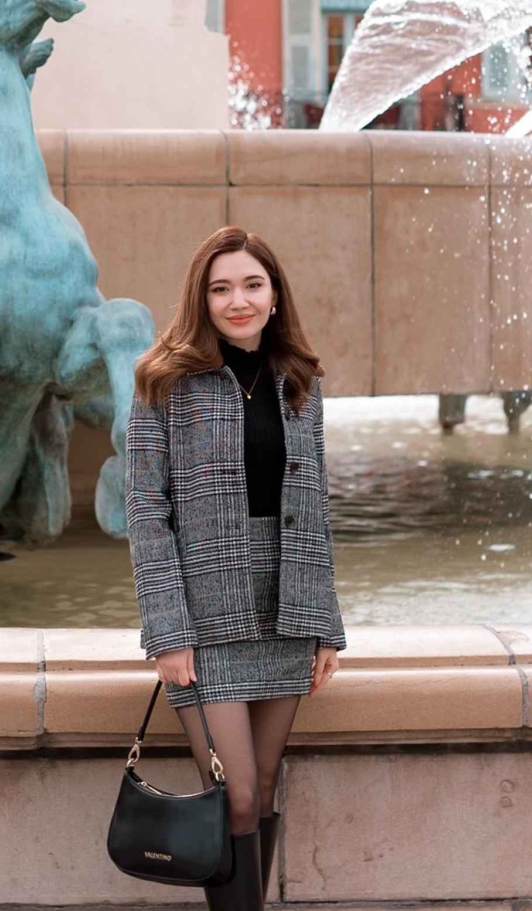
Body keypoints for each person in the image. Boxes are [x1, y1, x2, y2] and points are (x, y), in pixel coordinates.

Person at [125, 225, 347, 911]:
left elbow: (313, 504)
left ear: (275, 294)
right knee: (238, 794)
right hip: (205, 615)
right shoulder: (163, 381)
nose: (238, 300)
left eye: (252, 284)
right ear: (202, 298)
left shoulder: (299, 380)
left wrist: (326, 626)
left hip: (286, 606)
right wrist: (168, 631)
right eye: (221, 288)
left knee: (266, 787)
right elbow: (146, 510)